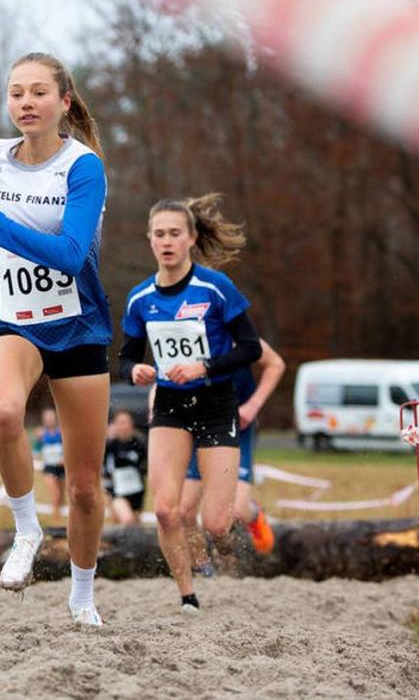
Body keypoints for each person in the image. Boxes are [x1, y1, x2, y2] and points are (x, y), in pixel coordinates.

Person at [0, 52, 110, 626]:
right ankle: (26, 529)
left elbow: (67, 256)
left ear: (64, 102)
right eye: (16, 93)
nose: (26, 104)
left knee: (86, 488)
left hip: (78, 325)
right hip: (15, 320)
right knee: (5, 414)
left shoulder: (83, 168)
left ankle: (82, 595)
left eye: (39, 93)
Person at [119, 195, 260, 615]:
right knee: (166, 511)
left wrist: (205, 366)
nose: (167, 242)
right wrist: (134, 372)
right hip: (170, 407)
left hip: (216, 403)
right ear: (149, 241)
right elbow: (127, 355)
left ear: (191, 239)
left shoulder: (216, 288)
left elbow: (251, 348)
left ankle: (247, 523)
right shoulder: (140, 298)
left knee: (216, 523)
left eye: (175, 234)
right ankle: (187, 596)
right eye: (159, 234)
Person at [182, 339, 285, 557]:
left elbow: (276, 364)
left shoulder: (234, 331)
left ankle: (254, 513)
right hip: (201, 425)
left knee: (237, 510)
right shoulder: (185, 329)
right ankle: (202, 566)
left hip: (237, 423)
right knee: (184, 509)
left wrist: (253, 405)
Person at [104, 410, 147, 526]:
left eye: (126, 422)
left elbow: (145, 466)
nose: (124, 426)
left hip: (137, 490)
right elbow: (103, 469)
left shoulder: (140, 443)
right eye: (120, 423)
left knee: (135, 526)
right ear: (115, 425)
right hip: (117, 491)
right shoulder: (110, 446)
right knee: (128, 520)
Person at [33, 408, 66, 520]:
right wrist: (36, 455)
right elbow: (36, 452)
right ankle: (56, 519)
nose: (49, 420)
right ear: (44, 420)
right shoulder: (41, 436)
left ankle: (59, 515)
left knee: (61, 496)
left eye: (51, 418)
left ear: (55, 419)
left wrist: (64, 459)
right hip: (49, 468)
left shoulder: (62, 433)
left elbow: (68, 449)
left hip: (61, 468)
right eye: (47, 419)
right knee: (55, 494)